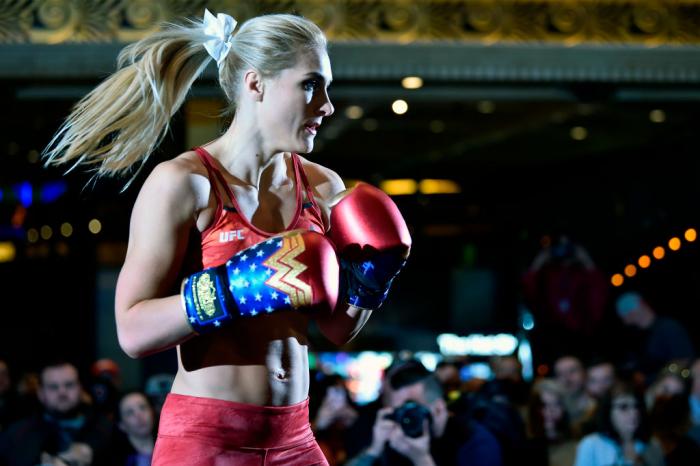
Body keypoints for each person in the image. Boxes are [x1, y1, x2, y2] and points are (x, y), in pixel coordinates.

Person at [42, 8, 410, 465]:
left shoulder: (322, 188)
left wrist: (371, 280)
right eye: (311, 84)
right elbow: (132, 330)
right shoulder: (184, 182)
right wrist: (236, 286)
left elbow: (338, 330)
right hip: (206, 439)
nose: (328, 104)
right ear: (255, 84)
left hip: (295, 437)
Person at [347, 361, 503, 466]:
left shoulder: (476, 443)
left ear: (439, 408)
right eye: (398, 412)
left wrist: (422, 460)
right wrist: (373, 450)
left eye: (412, 408)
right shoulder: (394, 437)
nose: (405, 419)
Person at [0, 361, 113, 466]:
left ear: (80, 389)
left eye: (69, 385)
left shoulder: (107, 429)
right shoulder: (15, 436)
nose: (62, 392)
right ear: (40, 393)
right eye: (53, 387)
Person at [573, 382, 663, 466]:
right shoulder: (591, 444)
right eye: (623, 407)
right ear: (608, 412)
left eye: (636, 406)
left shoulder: (652, 444)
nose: (634, 413)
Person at [616, 291, 695, 380]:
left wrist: (661, 379)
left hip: (670, 385)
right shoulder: (634, 336)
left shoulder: (668, 327)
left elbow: (684, 359)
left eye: (630, 311)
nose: (630, 315)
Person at [112, 391, 156, 466]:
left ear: (152, 412)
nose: (139, 415)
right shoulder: (112, 458)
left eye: (143, 407)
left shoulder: (172, 446)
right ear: (121, 425)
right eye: (130, 412)